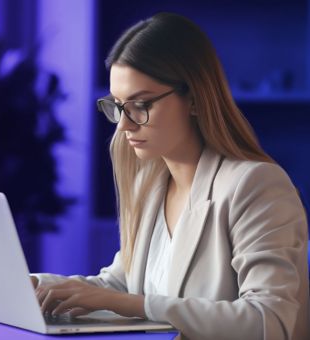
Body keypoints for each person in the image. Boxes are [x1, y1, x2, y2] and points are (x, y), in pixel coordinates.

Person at [30, 12, 309, 340]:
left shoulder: (255, 185)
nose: (124, 125)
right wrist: (37, 285)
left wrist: (138, 304)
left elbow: (270, 322)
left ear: (193, 98)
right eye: (118, 106)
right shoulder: (151, 184)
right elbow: (119, 286)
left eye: (141, 104)